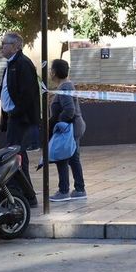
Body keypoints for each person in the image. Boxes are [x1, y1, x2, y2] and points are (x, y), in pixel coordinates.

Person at [0, 31, 40, 203]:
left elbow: (28, 96)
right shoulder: (11, 64)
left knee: (14, 157)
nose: (1, 47)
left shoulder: (22, 64)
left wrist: (16, 113)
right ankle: (26, 194)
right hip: (14, 119)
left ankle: (23, 194)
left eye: (4, 44)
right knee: (17, 157)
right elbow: (6, 93)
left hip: (21, 120)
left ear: (16, 46)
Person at [47, 58, 86, 202]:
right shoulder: (67, 86)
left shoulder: (64, 88)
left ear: (55, 72)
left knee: (62, 157)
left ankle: (64, 191)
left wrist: (59, 123)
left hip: (68, 128)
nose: (50, 72)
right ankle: (80, 189)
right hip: (74, 126)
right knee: (74, 158)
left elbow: (69, 109)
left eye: (51, 69)